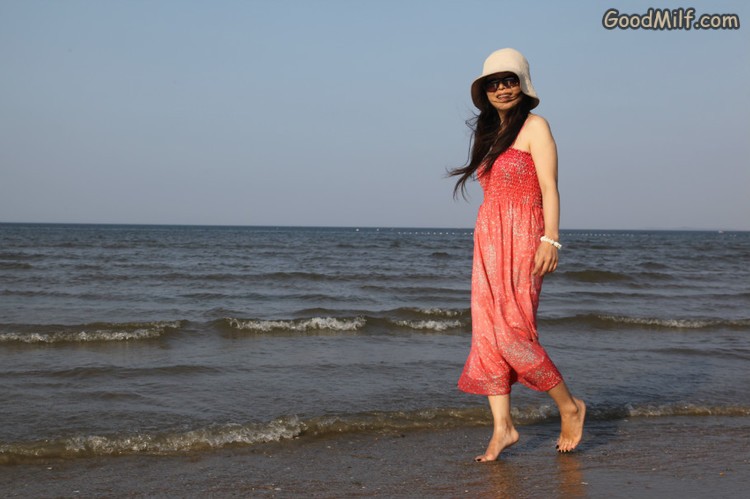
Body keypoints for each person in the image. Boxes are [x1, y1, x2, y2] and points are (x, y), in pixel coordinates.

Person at [450, 48, 585, 461]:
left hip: (525, 235)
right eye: (493, 84)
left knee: (513, 333)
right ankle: (503, 428)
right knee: (487, 334)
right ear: (485, 91)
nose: (502, 89)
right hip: (488, 239)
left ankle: (569, 406)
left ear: (523, 85)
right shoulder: (488, 133)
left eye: (509, 81)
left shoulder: (535, 126)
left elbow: (549, 188)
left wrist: (551, 239)